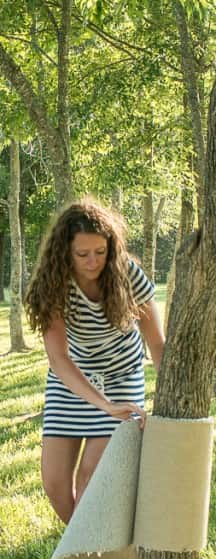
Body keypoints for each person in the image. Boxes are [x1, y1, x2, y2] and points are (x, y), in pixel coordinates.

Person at [25, 198, 165, 525]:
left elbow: (157, 342)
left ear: (111, 249)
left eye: (100, 253)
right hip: (72, 379)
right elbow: (58, 358)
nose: (92, 262)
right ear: (65, 252)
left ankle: (85, 555)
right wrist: (102, 404)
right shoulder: (54, 284)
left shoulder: (128, 274)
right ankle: (86, 545)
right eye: (82, 254)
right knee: (55, 483)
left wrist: (164, 399)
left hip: (122, 379)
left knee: (89, 479)